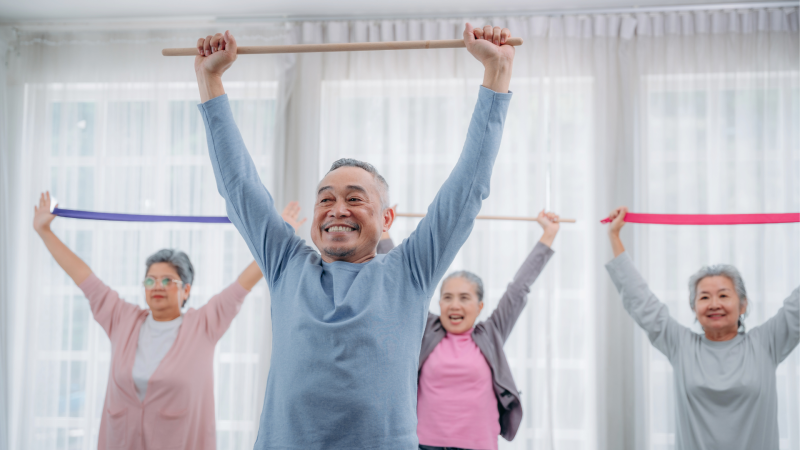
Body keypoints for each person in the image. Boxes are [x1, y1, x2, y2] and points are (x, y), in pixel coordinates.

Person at [194, 24, 515, 449]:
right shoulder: (287, 265)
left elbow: (468, 187)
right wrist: (209, 79)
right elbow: (238, 185)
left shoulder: (409, 272)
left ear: (387, 219)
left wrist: (496, 72)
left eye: (354, 198)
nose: (337, 209)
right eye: (325, 199)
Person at [33, 191, 306, 450]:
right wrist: (44, 232)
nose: (157, 286)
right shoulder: (121, 318)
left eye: (167, 280)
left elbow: (242, 283)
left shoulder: (205, 324)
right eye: (150, 280)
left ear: (186, 290)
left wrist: (277, 239)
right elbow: (84, 276)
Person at [605, 206, 799, 450]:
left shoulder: (767, 342)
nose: (714, 304)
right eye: (704, 297)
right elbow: (640, 300)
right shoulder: (681, 345)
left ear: (742, 305)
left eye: (723, 295)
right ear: (694, 307)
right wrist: (614, 236)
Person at [380, 211, 560, 450]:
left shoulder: (492, 333)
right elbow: (403, 285)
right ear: (439, 304)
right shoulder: (426, 329)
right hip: (425, 444)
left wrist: (548, 234)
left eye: (464, 298)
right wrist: (382, 231)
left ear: (479, 307)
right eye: (447, 297)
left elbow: (519, 289)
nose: (455, 305)